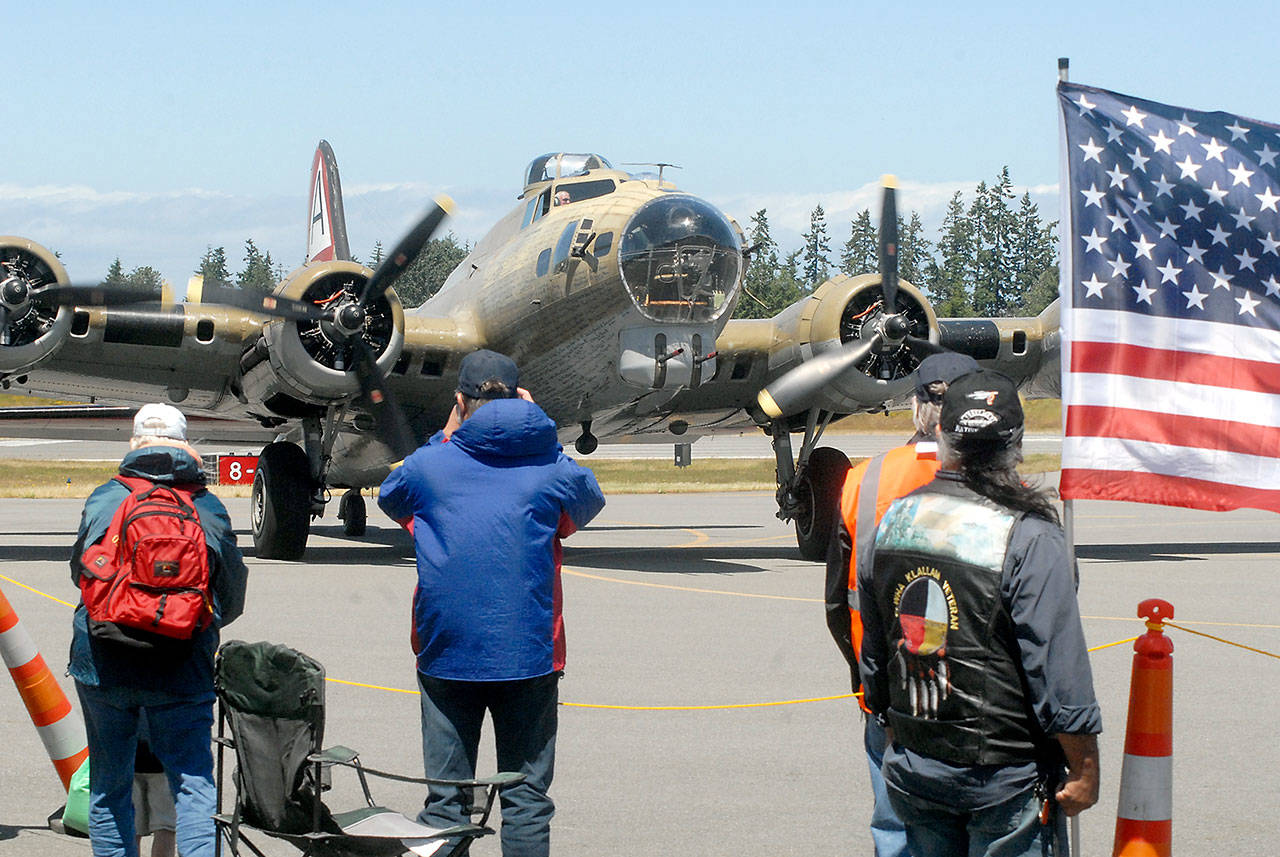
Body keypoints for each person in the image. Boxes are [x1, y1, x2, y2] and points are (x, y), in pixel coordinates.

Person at [858, 370, 1100, 857]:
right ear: (1017, 444)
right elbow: (1056, 667)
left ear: (942, 438)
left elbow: (878, 648)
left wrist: (890, 721)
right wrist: (1085, 766)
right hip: (1002, 778)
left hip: (917, 763)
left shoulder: (894, 521)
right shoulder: (1029, 536)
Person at [377, 349, 605, 857]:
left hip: (446, 651)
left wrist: (445, 435)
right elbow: (588, 500)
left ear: (461, 401)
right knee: (525, 800)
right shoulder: (549, 466)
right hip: (530, 654)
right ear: (520, 396)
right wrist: (542, 434)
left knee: (445, 804)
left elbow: (391, 496)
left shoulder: (432, 463)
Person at [69, 403, 248, 857]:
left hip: (104, 662)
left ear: (134, 445)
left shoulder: (105, 497)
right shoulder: (207, 506)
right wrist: (182, 622)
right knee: (193, 785)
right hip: (181, 665)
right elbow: (231, 591)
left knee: (110, 786)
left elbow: (82, 573)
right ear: (185, 445)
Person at [825, 351, 978, 857]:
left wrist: (865, 678)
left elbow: (836, 601)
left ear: (916, 405)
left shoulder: (862, 480)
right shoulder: (998, 480)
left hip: (890, 692)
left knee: (895, 830)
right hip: (983, 699)